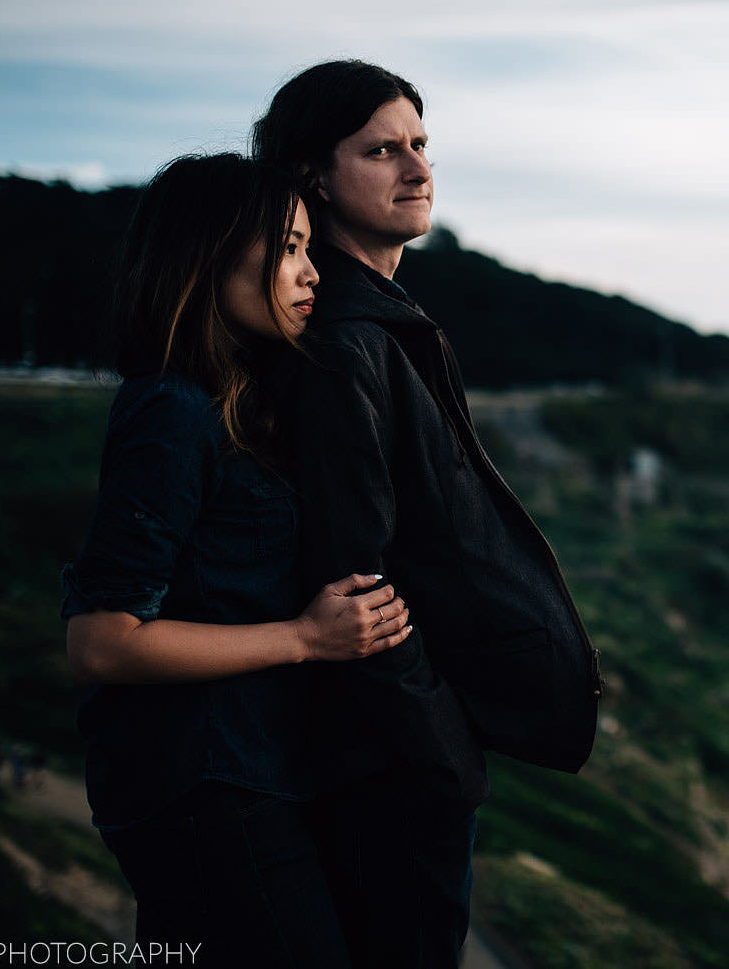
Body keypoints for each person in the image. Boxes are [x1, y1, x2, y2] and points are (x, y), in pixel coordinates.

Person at [252, 61, 601, 969]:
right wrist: (439, 747)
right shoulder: (347, 345)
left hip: (400, 758)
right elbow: (351, 579)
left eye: (420, 145)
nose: (416, 170)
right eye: (380, 150)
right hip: (388, 767)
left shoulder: (387, 323)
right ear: (312, 178)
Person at [61, 152, 413, 968]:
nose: (309, 271)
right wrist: (305, 637)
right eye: (288, 247)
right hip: (204, 788)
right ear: (210, 254)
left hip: (237, 779)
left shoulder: (227, 404)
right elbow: (101, 641)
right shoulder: (171, 410)